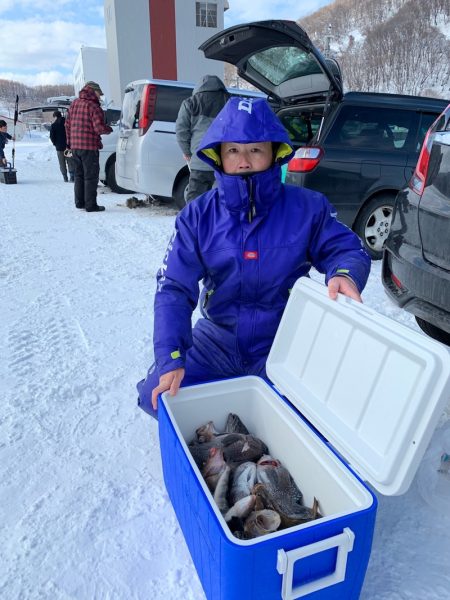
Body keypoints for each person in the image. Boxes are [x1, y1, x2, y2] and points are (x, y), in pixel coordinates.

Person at [137, 97, 371, 418]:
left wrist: (344, 272)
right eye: (233, 150)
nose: (243, 161)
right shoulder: (197, 215)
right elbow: (173, 288)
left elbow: (346, 248)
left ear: (274, 153)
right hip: (217, 340)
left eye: (255, 149)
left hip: (282, 342)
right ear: (218, 154)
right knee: (155, 394)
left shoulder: (308, 207)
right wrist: (171, 357)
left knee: (319, 419)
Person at [175, 74, 229, 203]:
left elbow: (181, 131)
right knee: (227, 198)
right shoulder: (230, 101)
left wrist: (187, 152)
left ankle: (195, 221)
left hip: (201, 159)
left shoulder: (190, 103)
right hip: (227, 160)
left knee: (195, 199)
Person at [65, 81, 112, 212]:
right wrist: (109, 128)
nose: (99, 96)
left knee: (79, 175)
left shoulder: (74, 104)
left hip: (75, 147)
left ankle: (79, 202)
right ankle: (91, 205)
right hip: (89, 147)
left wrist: (69, 143)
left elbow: (67, 125)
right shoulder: (93, 106)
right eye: (98, 93)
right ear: (92, 91)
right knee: (90, 177)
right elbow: (99, 128)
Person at [50, 110, 74, 182]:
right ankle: (72, 176)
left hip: (59, 148)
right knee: (70, 161)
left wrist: (55, 143)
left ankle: (65, 177)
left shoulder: (54, 125)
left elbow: (52, 137)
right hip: (67, 146)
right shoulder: (67, 123)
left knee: (62, 163)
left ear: (55, 116)